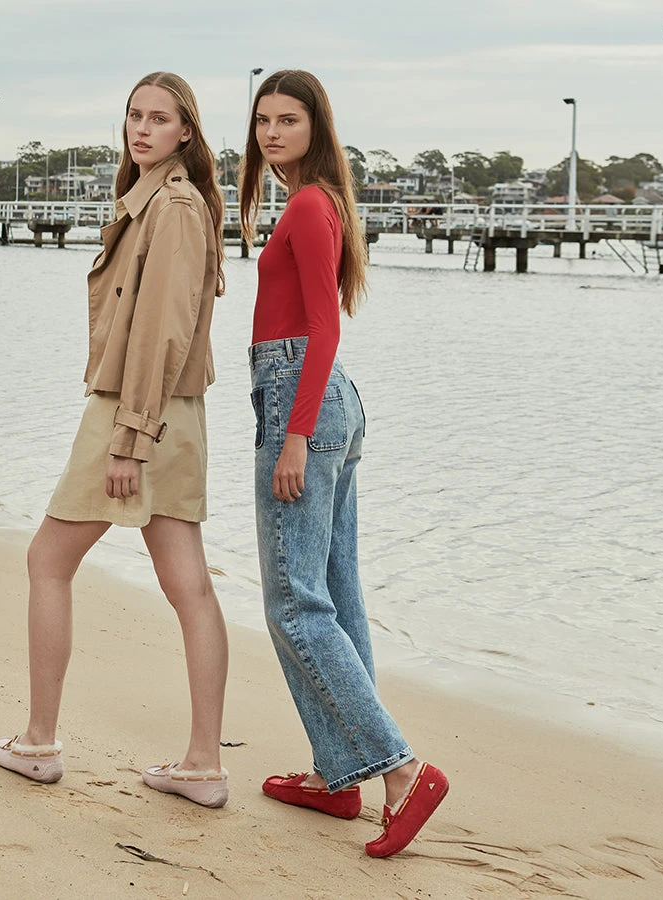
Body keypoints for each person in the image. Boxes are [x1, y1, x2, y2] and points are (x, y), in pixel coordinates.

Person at [0, 72, 230, 809]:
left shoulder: (175, 208)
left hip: (136, 412)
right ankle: (203, 765)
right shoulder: (155, 201)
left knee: (49, 560)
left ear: (186, 130)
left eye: (159, 118)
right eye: (134, 115)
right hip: (168, 413)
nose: (142, 128)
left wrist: (130, 436)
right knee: (188, 585)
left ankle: (39, 742)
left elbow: (162, 331)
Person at [240, 70, 449, 857]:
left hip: (305, 399)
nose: (271, 132)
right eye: (263, 120)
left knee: (296, 604)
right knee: (333, 591)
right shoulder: (316, 202)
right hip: (326, 400)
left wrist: (294, 435)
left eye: (287, 120)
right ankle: (337, 775)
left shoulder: (308, 205)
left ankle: (400, 769)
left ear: (316, 128)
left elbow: (324, 328)